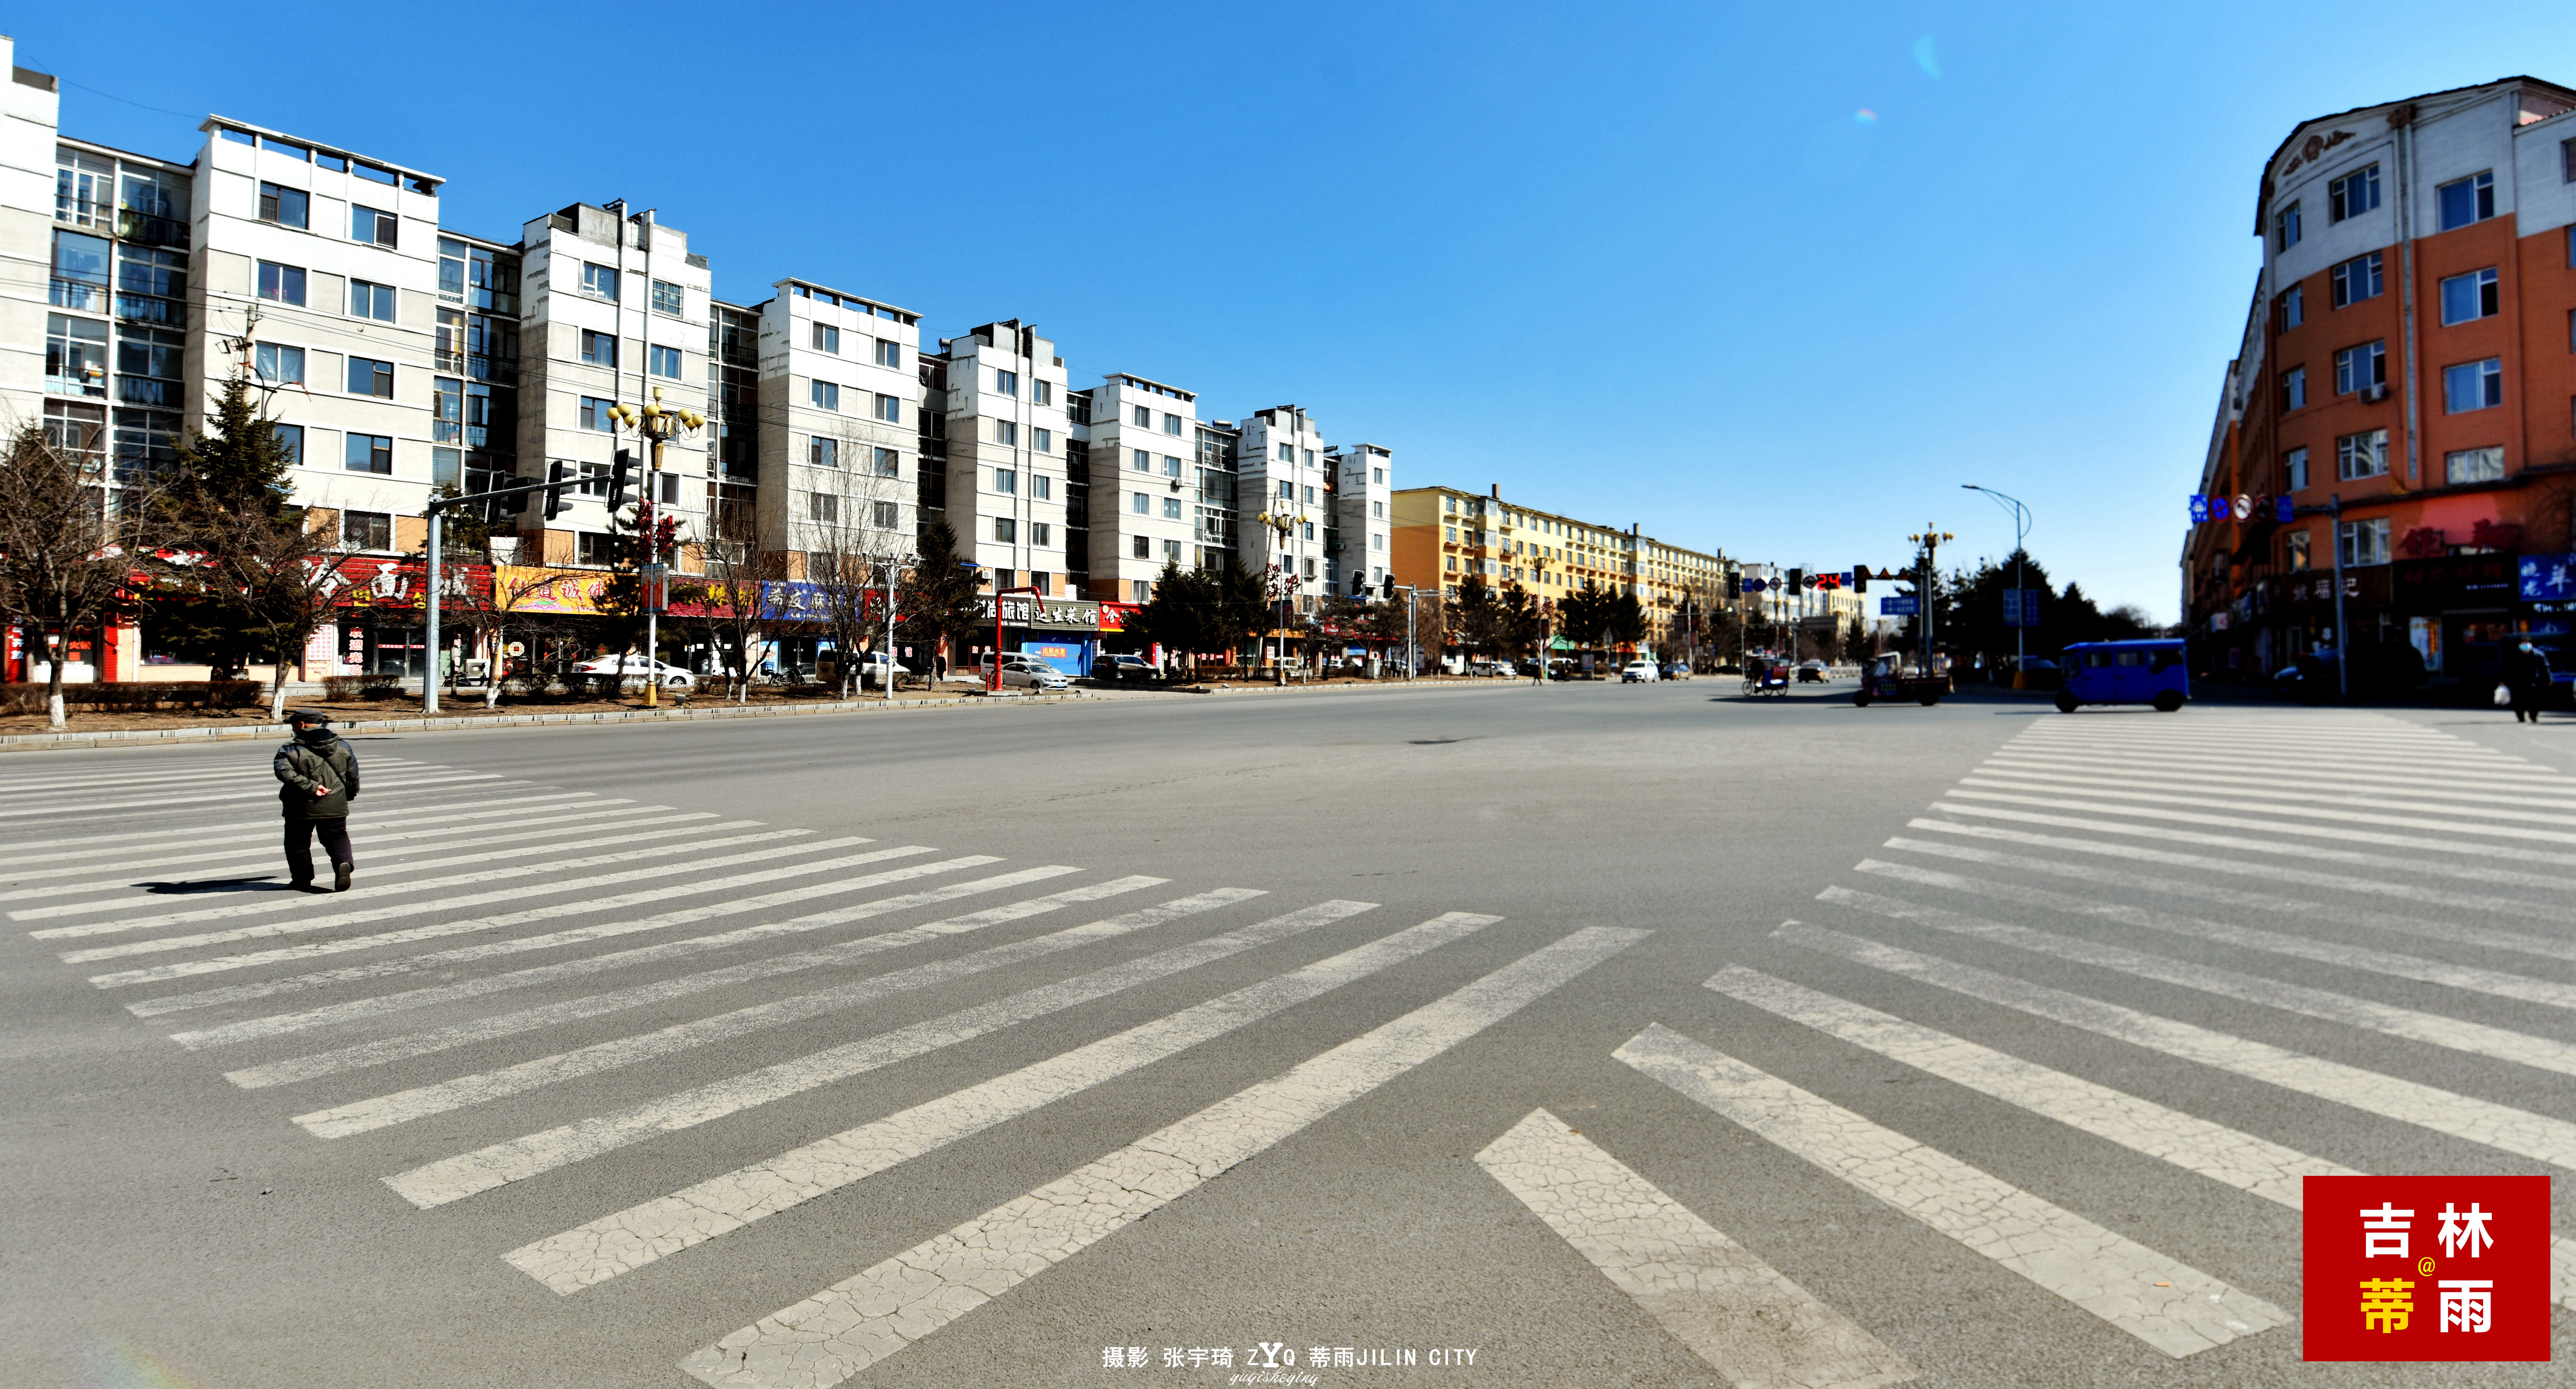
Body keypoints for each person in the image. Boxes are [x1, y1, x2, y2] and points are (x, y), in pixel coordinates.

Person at [274, 709, 360, 892]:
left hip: (300, 805)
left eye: (293, 724)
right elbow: (353, 775)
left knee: (297, 843)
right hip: (335, 801)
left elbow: (284, 773)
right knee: (337, 837)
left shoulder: (291, 748)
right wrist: (348, 796)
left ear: (301, 724)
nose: (293, 728)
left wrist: (312, 788)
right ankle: (343, 863)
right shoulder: (342, 745)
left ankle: (302, 880)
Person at [2503, 639, 2553, 724]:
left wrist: (2549, 679)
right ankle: (2521, 717)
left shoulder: (2538, 655)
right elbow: (2507, 669)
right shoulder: (2514, 655)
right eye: (2523, 644)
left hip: (2534, 681)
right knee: (2518, 700)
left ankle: (2533, 716)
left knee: (2535, 700)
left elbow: (2545, 668)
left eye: (2527, 644)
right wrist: (2504, 680)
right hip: (2518, 682)